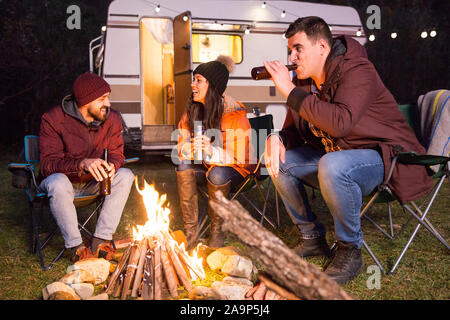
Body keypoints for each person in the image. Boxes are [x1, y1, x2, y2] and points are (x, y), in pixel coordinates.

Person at [262, 16, 433, 284]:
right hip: (340, 155)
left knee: (333, 164)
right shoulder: (306, 83)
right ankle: (311, 238)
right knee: (279, 160)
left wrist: (288, 89)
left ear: (321, 46)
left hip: (385, 156)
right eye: (290, 51)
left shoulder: (357, 70)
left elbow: (340, 123)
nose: (293, 57)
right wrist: (277, 138)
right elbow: (294, 131)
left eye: (298, 49)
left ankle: (349, 250)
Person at [38, 72, 135, 263]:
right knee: (58, 181)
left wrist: (111, 166)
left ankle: (100, 241)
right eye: (102, 99)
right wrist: (81, 163)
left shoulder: (112, 119)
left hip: (93, 183)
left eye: (108, 97)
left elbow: (117, 154)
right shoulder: (53, 119)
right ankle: (77, 248)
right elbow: (48, 165)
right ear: (85, 101)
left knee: (125, 175)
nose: (107, 104)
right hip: (62, 184)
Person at [176, 55, 256, 249]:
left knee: (217, 173)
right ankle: (191, 233)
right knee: (183, 165)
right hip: (208, 164)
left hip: (238, 168)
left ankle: (217, 232)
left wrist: (211, 150)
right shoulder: (193, 109)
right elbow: (181, 143)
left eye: (198, 80)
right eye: (193, 79)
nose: (192, 84)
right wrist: (190, 147)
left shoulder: (233, 113)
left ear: (212, 85)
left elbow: (239, 157)